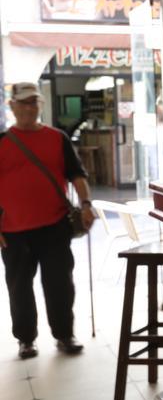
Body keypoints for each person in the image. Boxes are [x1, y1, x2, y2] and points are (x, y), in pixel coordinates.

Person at [0, 82, 95, 358]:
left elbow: (77, 175)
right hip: (13, 231)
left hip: (54, 225)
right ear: (12, 106)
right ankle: (26, 339)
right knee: (19, 288)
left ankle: (65, 335)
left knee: (60, 285)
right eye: (24, 102)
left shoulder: (57, 138)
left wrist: (86, 204)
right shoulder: (2, 142)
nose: (29, 107)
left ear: (40, 105)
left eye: (34, 102)